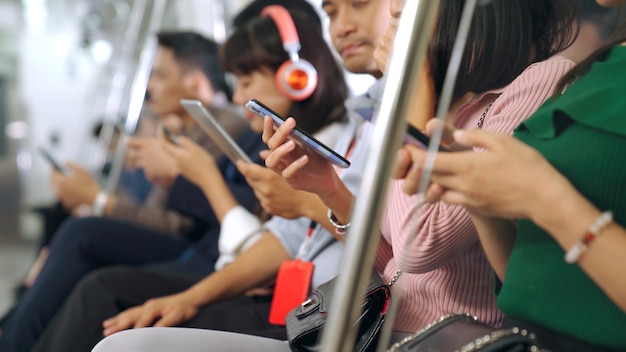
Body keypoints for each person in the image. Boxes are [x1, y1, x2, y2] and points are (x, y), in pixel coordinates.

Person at [90, 0, 579, 351]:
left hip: (437, 336)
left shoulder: (529, 83)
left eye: (401, 13)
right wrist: (328, 190)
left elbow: (419, 243)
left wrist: (409, 92)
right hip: (373, 324)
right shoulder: (438, 98)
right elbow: (391, 260)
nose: (391, 20)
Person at [29, 3, 363, 351]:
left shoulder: (314, 144)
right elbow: (280, 237)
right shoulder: (304, 139)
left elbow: (220, 228)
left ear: (297, 76)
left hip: (305, 304)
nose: (238, 98)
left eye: (246, 81)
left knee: (99, 280)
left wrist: (199, 178)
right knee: (93, 269)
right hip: (273, 285)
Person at [0, 31, 258, 352]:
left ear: (194, 82)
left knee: (83, 236)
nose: (151, 87)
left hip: (196, 251)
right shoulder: (184, 126)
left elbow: (177, 221)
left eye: (160, 76)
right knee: (71, 234)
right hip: (192, 244)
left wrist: (100, 200)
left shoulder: (221, 129)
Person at [394, 1, 626, 351]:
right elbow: (520, 278)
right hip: (515, 339)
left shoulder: (549, 78)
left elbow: (419, 246)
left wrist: (549, 200)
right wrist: (475, 194)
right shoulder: (599, 68)